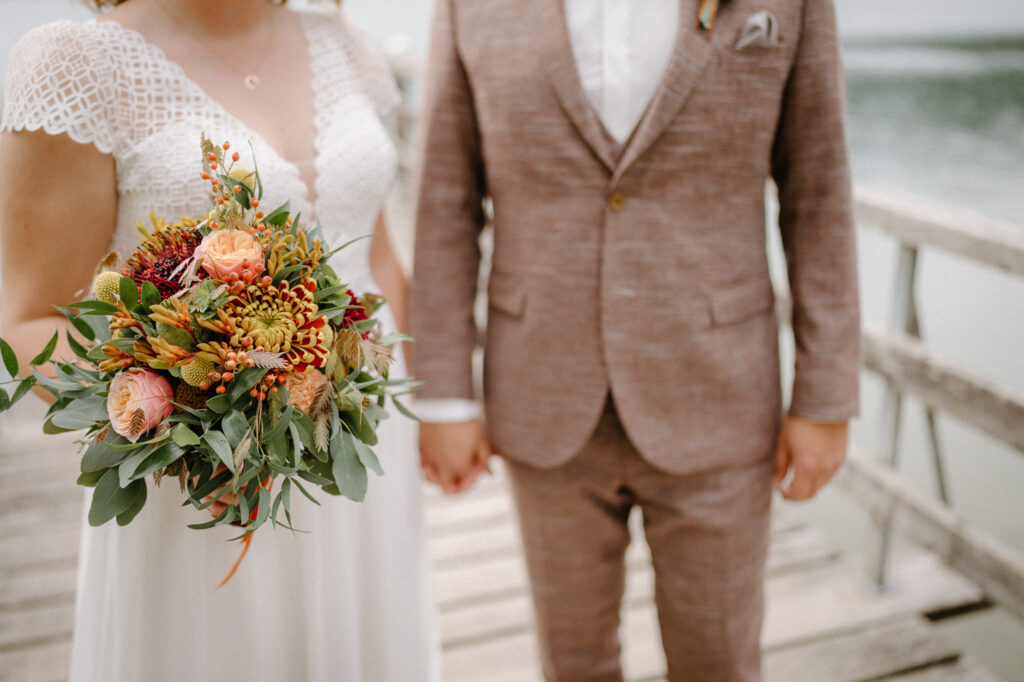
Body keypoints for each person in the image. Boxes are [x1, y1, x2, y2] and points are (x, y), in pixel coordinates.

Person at [411, 0, 859, 680]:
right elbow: (445, 200)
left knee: (720, 660)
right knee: (573, 664)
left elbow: (819, 192)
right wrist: (444, 396)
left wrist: (825, 397)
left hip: (720, 394)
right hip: (544, 396)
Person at [0, 1, 437, 680]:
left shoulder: (341, 42)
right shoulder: (78, 65)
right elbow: (28, 320)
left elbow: (377, 261)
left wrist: (432, 409)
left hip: (365, 450)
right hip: (207, 483)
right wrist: (197, 416)